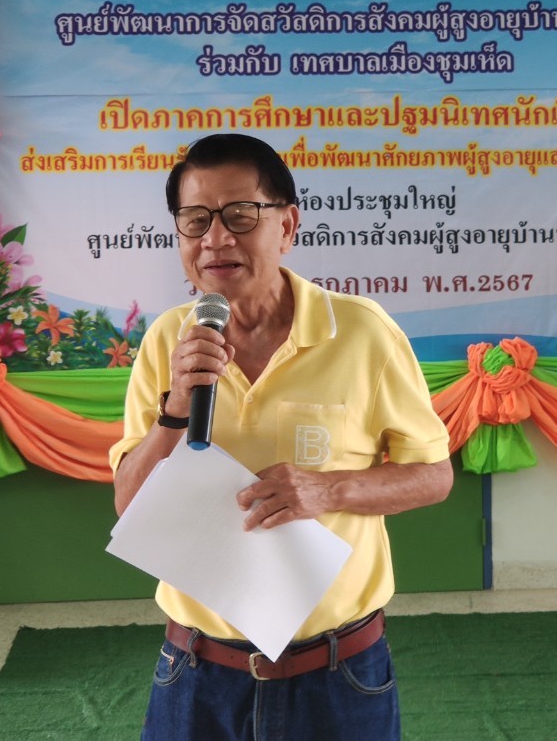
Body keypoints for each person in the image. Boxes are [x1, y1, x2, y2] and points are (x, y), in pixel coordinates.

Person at [111, 133, 454, 741]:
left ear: (287, 225)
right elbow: (129, 503)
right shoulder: (167, 339)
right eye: (195, 221)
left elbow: (433, 476)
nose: (216, 239)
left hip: (338, 672)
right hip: (196, 671)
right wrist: (175, 411)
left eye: (240, 216)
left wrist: (329, 490)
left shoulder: (363, 333)